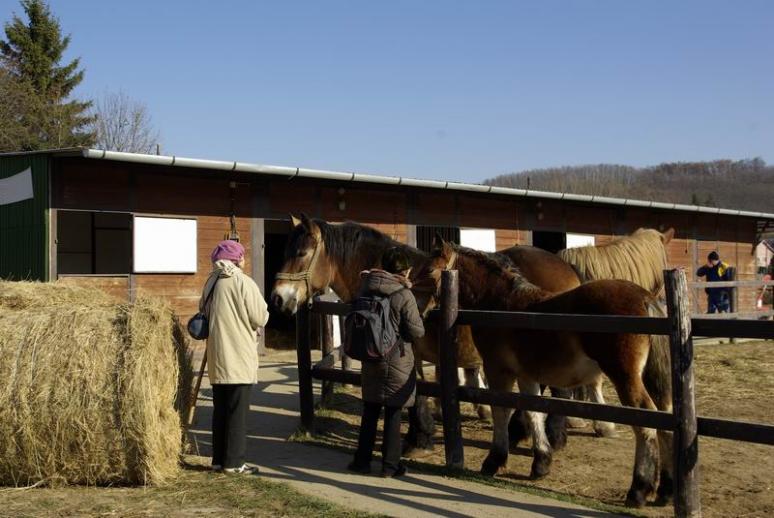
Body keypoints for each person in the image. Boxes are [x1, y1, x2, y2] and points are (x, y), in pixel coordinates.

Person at [348, 247, 425, 477]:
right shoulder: (403, 295)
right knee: (393, 413)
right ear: (406, 270)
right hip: (397, 359)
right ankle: (390, 466)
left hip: (370, 357)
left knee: (370, 411)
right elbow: (417, 331)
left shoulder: (365, 287)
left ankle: (361, 462)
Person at [200, 239, 269, 474]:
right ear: (238, 259)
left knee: (220, 409)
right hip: (239, 355)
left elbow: (203, 310)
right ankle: (235, 463)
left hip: (217, 354)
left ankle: (218, 460)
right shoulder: (243, 282)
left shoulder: (211, 282)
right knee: (237, 412)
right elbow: (260, 317)